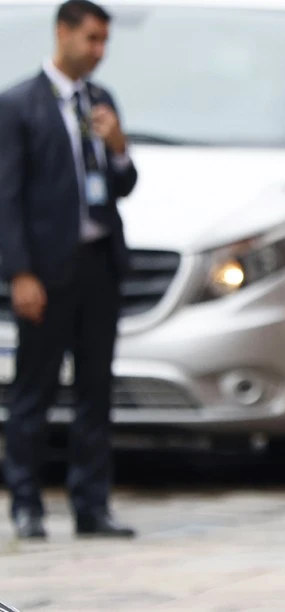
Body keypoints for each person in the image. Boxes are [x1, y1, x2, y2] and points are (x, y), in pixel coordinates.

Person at [0, 0, 137, 539]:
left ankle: (91, 505)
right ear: (64, 33)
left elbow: (122, 184)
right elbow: (6, 199)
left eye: (105, 41)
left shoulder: (101, 100)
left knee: (95, 391)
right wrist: (19, 273)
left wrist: (118, 147)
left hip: (99, 265)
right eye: (92, 38)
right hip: (45, 272)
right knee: (33, 391)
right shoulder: (19, 105)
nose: (99, 51)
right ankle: (26, 504)